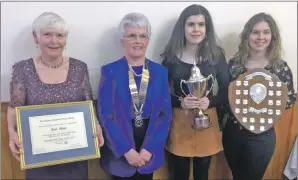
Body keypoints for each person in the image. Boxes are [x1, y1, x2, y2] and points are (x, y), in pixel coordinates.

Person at [7, 12, 104, 179]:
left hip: (75, 154)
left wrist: (96, 125)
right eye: (47, 34)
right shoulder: (22, 70)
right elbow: (14, 107)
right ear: (36, 37)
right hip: (38, 157)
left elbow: (87, 105)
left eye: (60, 35)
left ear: (65, 40)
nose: (54, 41)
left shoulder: (80, 68)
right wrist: (11, 132)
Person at [97, 13, 172, 180]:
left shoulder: (160, 72)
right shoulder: (110, 71)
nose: (138, 41)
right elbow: (105, 116)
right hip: (120, 148)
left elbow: (164, 115)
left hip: (148, 146)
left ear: (148, 40)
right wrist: (125, 150)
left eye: (143, 36)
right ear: (122, 40)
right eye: (132, 35)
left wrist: (149, 149)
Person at [222, 12, 295, 180]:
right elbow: (226, 97)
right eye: (255, 32)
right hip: (233, 132)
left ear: (273, 36)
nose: (260, 37)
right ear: (247, 36)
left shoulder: (280, 68)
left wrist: (262, 108)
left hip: (263, 136)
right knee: (237, 176)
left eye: (266, 32)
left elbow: (289, 99)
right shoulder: (234, 65)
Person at [161, 4, 230, 180]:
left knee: (203, 173)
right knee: (179, 174)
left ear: (207, 28)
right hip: (179, 121)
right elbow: (160, 94)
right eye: (191, 24)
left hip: (207, 120)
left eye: (201, 24)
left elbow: (226, 91)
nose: (196, 29)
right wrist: (180, 102)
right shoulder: (171, 56)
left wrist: (210, 101)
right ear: (182, 27)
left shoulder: (217, 55)